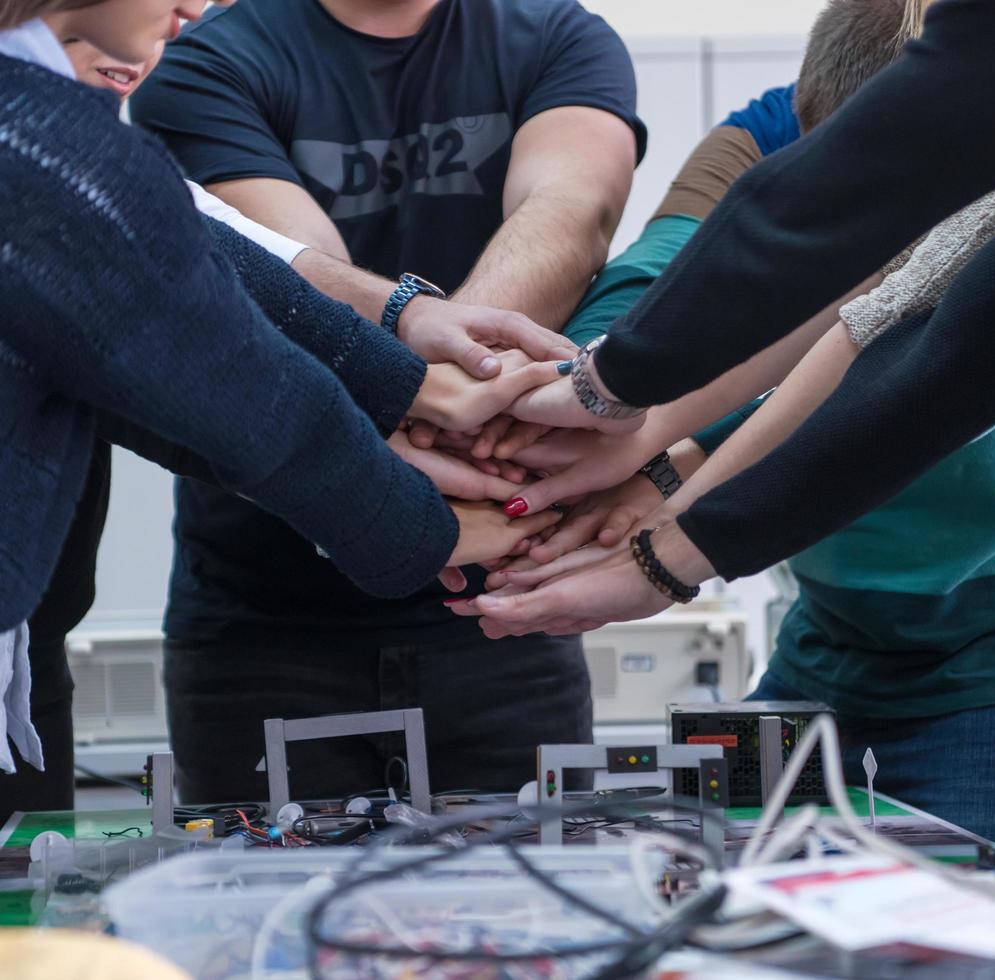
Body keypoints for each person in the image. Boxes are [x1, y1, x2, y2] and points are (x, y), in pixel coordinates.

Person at [0, 0, 566, 974]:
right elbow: (260, 407)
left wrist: (396, 375)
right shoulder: (39, 144)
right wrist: (447, 532)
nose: (194, 5)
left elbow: (185, 248)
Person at [470, 0, 995, 849]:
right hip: (829, 646)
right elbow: (704, 285)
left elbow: (900, 361)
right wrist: (590, 405)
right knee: (729, 912)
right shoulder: (777, 124)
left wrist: (668, 538)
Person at [128, 0, 646, 802]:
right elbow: (292, 279)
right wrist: (442, 395)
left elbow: (573, 215)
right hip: (268, 615)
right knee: (260, 914)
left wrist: (453, 374)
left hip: (502, 603)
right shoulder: (203, 59)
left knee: (529, 910)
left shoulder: (555, 35)